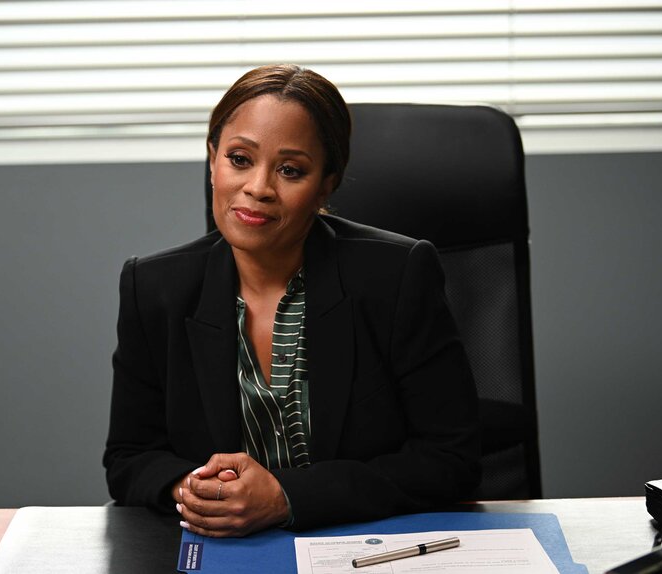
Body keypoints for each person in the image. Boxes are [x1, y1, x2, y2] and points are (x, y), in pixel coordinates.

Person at [103, 64, 480, 537]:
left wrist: (286, 497)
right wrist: (194, 490)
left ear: (326, 183)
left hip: (362, 547)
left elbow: (452, 459)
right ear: (212, 157)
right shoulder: (153, 287)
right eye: (239, 158)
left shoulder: (397, 277)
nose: (258, 187)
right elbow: (129, 458)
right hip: (224, 552)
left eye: (290, 170)